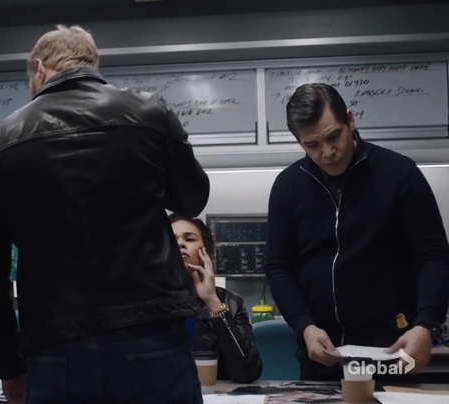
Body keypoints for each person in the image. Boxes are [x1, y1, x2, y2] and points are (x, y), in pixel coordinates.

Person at [0, 25, 210, 404]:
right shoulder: (149, 112)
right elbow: (191, 200)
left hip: (55, 345)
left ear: (39, 68)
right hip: (150, 333)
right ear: (93, 64)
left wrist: (9, 367)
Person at [265, 82, 449, 381]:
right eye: (312, 145)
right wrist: (304, 326)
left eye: (333, 136)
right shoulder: (289, 187)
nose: (328, 152)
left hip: (395, 346)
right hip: (323, 350)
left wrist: (426, 324)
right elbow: (278, 266)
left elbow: (434, 256)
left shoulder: (399, 174)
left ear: (350, 120)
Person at [169, 214, 263, 383]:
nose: (180, 244)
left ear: (207, 251)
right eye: (171, 239)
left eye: (189, 239)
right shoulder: (148, 302)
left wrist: (212, 301)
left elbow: (248, 372)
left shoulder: (231, 303)